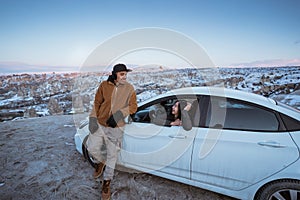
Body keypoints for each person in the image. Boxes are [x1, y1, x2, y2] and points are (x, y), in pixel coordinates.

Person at [87, 63, 138, 200]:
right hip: (101, 124)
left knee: (112, 156)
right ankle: (99, 162)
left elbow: (133, 106)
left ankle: (106, 183)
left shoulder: (129, 88)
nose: (124, 77)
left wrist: (119, 114)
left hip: (116, 128)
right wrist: (93, 118)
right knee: (92, 148)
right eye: (122, 74)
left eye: (126, 74)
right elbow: (97, 102)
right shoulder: (104, 85)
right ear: (115, 74)